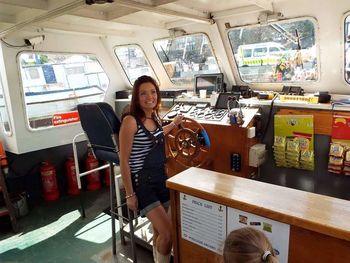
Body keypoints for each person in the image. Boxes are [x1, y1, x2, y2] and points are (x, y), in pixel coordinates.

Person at [119, 75, 184, 263]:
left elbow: (155, 134)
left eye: (153, 92)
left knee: (159, 233)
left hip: (160, 178)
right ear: (136, 98)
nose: (150, 97)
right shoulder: (130, 121)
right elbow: (123, 161)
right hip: (142, 183)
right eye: (144, 93)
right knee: (168, 234)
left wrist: (174, 124)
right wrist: (130, 195)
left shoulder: (154, 117)